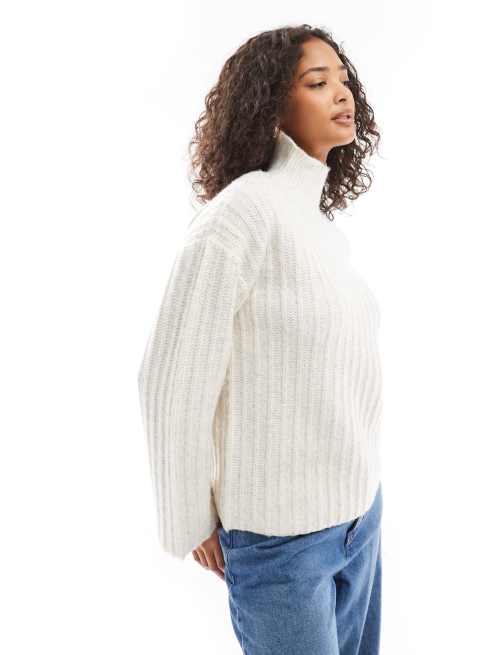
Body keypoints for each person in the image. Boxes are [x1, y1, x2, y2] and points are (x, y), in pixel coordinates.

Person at [137, 23, 384, 655]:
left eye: (343, 79)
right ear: (272, 105)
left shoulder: (319, 228)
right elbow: (171, 376)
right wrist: (190, 516)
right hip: (281, 544)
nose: (342, 93)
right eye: (317, 82)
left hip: (360, 522)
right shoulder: (242, 214)